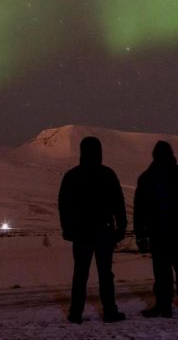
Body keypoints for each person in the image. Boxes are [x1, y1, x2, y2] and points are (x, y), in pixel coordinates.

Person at [58, 136, 127, 324]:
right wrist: (121, 227)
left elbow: (64, 206)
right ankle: (110, 311)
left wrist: (68, 229)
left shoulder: (72, 176)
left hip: (81, 232)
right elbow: (118, 204)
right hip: (103, 231)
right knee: (105, 274)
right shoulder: (107, 174)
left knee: (80, 274)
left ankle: (75, 313)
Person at [134, 141, 178, 318]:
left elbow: (140, 208)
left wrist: (140, 234)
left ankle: (164, 305)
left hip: (159, 232)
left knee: (162, 271)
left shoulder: (147, 177)